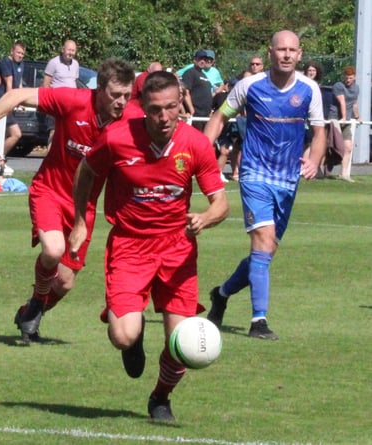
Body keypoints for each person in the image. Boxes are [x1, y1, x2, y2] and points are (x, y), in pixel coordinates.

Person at [69, 70, 228, 423]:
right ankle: (135, 331)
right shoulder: (116, 138)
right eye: (156, 109)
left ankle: (160, 398)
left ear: (180, 102)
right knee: (123, 336)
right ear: (143, 108)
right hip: (130, 245)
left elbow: (221, 203)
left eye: (171, 107)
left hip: (178, 249)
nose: (164, 117)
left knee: (182, 344)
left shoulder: (195, 143)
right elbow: (87, 171)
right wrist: (80, 221)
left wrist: (206, 217)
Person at [0, 58, 137, 342]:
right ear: (99, 89)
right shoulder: (73, 100)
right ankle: (38, 302)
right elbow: (15, 95)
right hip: (49, 191)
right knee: (52, 250)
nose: (122, 102)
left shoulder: (131, 119)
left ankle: (29, 311)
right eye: (115, 95)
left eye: (127, 95)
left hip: (82, 209)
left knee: (64, 282)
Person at [204, 30, 326, 340]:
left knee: (266, 251)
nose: (286, 54)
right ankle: (259, 320)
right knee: (262, 239)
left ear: (299, 55)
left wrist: (314, 159)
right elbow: (220, 117)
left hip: (287, 180)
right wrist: (203, 154)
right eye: (280, 49)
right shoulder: (249, 86)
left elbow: (320, 132)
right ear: (270, 53)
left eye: (292, 50)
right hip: (254, 174)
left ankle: (221, 293)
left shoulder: (310, 90)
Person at [42, 39, 79, 148]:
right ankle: (50, 156)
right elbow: (46, 85)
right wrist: (48, 104)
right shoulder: (54, 62)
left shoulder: (76, 64)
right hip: (55, 104)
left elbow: (74, 82)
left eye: (73, 50)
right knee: (53, 132)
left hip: (70, 106)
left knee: (68, 132)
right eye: (69, 50)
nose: (70, 53)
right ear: (63, 49)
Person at [326, 65, 359, 182]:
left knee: (348, 147)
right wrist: (343, 117)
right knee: (334, 146)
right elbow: (342, 102)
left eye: (350, 78)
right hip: (335, 119)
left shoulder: (356, 88)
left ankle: (343, 174)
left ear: (354, 77)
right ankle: (321, 171)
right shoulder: (338, 86)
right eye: (346, 78)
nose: (348, 80)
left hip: (346, 121)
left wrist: (357, 117)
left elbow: (354, 103)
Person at [0, 41, 26, 157]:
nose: (20, 55)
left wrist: (22, 101)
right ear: (12, 51)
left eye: (22, 54)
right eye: (18, 52)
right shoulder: (6, 62)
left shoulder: (21, 64)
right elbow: (9, 84)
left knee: (7, 134)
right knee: (16, 134)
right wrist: (10, 103)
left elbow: (19, 83)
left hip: (12, 101)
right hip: (3, 102)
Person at [181, 49, 213, 131]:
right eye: (200, 59)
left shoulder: (204, 75)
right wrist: (192, 110)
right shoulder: (190, 73)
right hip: (196, 115)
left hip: (205, 115)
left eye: (205, 59)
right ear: (195, 60)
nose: (203, 61)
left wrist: (209, 111)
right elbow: (185, 92)